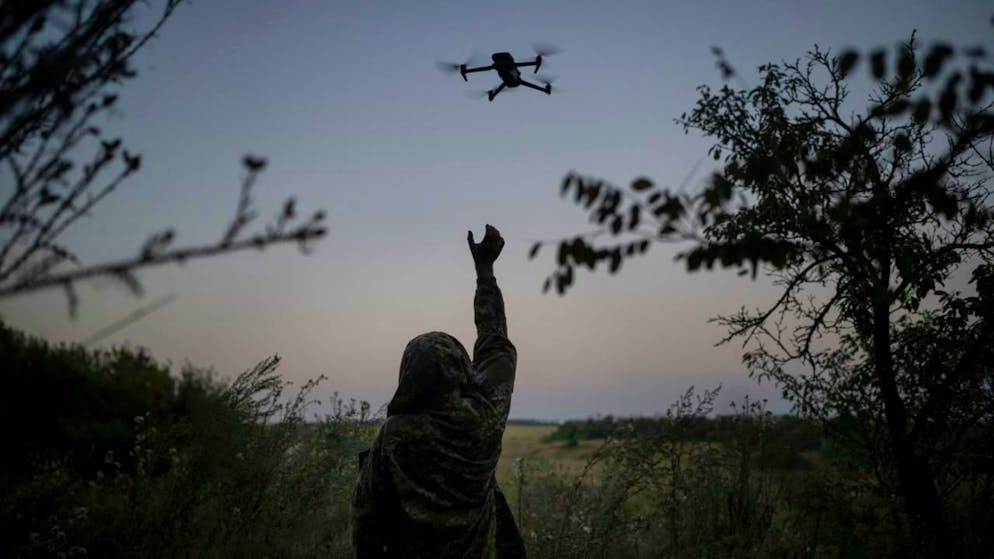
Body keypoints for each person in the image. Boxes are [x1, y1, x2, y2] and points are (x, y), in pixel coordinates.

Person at [352, 224, 526, 558]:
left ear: (407, 376)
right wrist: (485, 272)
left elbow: (366, 520)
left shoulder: (393, 437)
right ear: (462, 371)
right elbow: (495, 344)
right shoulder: (484, 419)